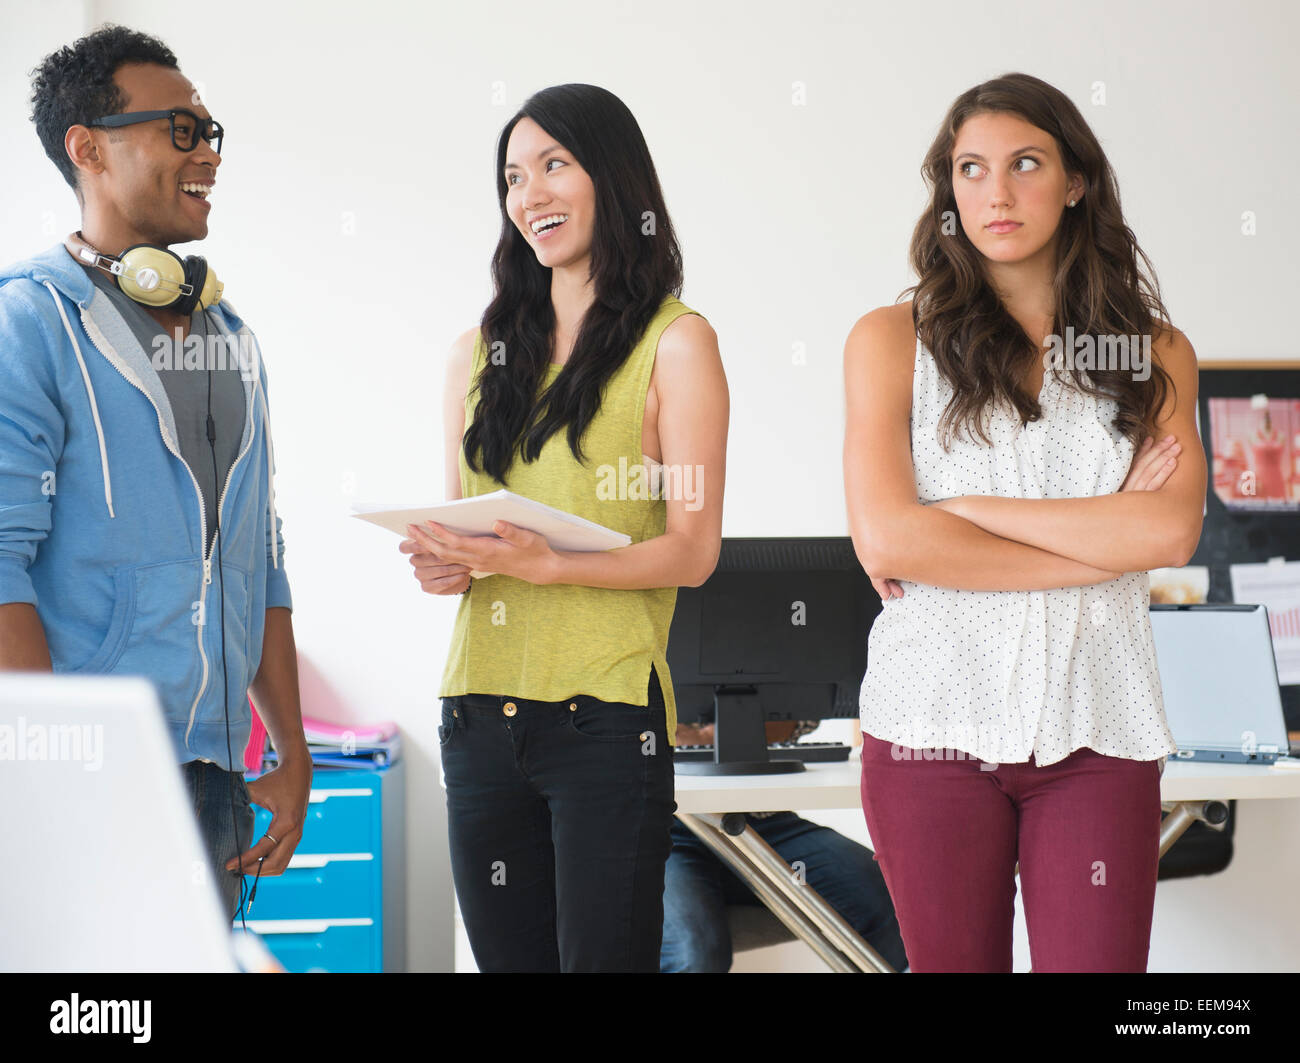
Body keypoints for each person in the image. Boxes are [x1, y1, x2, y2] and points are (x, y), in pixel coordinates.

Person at [844, 72, 1205, 972]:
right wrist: (1100, 541)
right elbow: (893, 538)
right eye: (971, 169)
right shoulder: (891, 342)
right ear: (949, 189)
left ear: (1075, 179)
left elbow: (1167, 536)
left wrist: (964, 516)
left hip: (1098, 727)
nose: (995, 193)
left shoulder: (1152, 353)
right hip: (928, 728)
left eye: (1025, 164)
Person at [402, 83, 728, 972]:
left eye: (555, 165)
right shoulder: (475, 352)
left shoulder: (676, 343)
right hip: (477, 712)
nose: (531, 194)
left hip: (605, 721)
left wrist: (552, 567)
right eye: (514, 176)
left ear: (614, 179)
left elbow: (694, 550)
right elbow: (465, 524)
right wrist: (446, 562)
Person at [0, 24, 310, 922]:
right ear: (87, 147)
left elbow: (264, 555)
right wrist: (50, 768)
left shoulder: (229, 338)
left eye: (211, 132)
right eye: (181, 129)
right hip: (86, 777)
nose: (207, 152)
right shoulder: (30, 324)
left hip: (212, 779)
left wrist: (288, 744)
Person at [661, 720, 910, 973]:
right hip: (665, 830)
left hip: (763, 820)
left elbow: (804, 713)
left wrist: (722, 730)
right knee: (694, 951)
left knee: (884, 897)